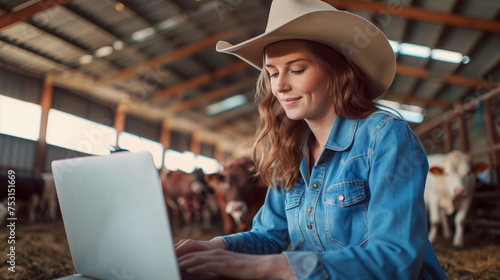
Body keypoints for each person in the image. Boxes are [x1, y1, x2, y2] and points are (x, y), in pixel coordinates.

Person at [175, 0, 448, 279]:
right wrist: (216, 246)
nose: (279, 86)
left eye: (296, 69)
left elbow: (395, 258)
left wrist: (277, 267)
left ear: (338, 71)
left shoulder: (385, 136)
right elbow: (270, 237)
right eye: (272, 73)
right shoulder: (289, 150)